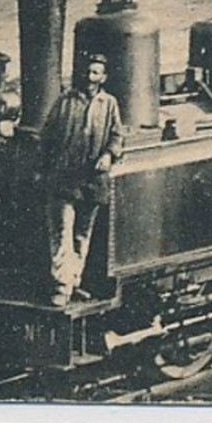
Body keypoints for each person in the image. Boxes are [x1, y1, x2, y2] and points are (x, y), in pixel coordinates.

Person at [39, 53, 124, 306]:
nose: (90, 77)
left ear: (103, 77)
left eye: (96, 72)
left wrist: (109, 154)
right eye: (88, 71)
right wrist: (46, 168)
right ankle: (62, 286)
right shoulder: (65, 102)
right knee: (62, 232)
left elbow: (117, 135)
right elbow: (48, 136)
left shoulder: (109, 104)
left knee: (81, 235)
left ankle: (73, 281)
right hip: (64, 179)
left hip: (92, 181)